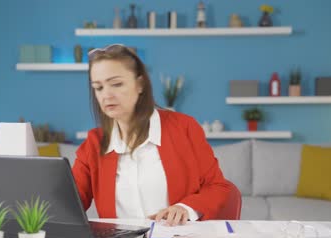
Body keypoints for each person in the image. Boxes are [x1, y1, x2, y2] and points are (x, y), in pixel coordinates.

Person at [72, 44, 231, 226]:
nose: (106, 95)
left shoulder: (184, 127)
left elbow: (218, 187)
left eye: (116, 84)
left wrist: (185, 208)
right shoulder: (94, 143)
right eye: (98, 87)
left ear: (140, 84)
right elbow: (70, 203)